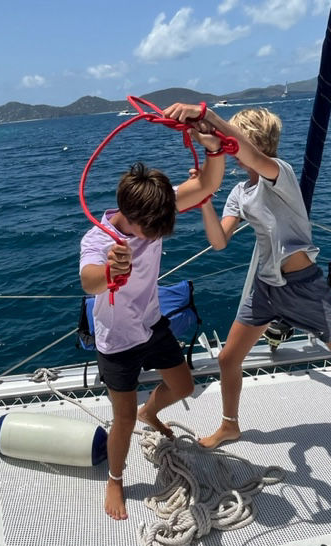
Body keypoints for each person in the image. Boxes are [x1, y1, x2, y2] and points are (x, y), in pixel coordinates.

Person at [164, 102, 331, 449]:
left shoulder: (279, 173)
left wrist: (207, 115)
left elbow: (250, 155)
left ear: (253, 140)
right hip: (266, 289)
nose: (227, 144)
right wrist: (204, 199)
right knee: (228, 358)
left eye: (231, 137)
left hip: (305, 288)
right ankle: (230, 426)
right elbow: (219, 242)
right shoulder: (240, 192)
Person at [79, 127, 226, 519]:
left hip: (152, 324)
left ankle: (151, 412)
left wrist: (213, 147)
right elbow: (88, 281)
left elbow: (208, 183)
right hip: (117, 341)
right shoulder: (98, 240)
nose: (159, 233)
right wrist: (110, 270)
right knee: (123, 419)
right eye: (152, 229)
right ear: (129, 216)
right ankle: (115, 479)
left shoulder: (156, 207)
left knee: (184, 386)